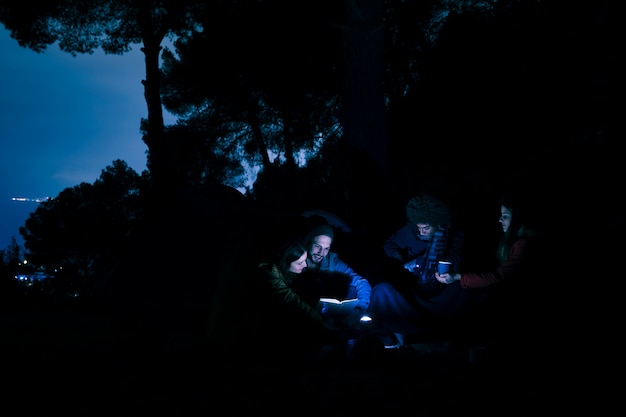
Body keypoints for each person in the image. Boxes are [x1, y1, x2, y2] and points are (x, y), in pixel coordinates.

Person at [205, 235, 346, 370]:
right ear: (285, 260)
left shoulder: (280, 271)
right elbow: (293, 303)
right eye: (299, 262)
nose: (304, 265)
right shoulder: (267, 274)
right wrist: (325, 328)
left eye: (304, 260)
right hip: (234, 339)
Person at [367, 192, 485, 346]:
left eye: (426, 228)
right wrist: (400, 261)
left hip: (441, 291)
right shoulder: (411, 230)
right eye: (418, 227)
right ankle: (395, 337)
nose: (421, 232)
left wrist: (421, 262)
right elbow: (390, 243)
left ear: (437, 223)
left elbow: (456, 259)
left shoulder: (454, 234)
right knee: (381, 290)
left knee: (467, 289)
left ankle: (451, 338)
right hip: (413, 290)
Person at [293, 223, 372, 334]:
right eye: (317, 246)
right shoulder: (295, 258)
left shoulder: (331, 261)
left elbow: (361, 282)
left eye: (326, 248)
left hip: (329, 316)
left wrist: (359, 309)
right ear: (308, 243)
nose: (321, 253)